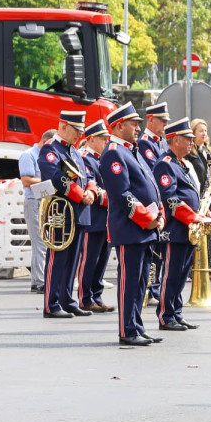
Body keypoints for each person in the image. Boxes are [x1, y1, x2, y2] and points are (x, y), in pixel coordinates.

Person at [100, 103, 165, 347]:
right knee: (130, 282)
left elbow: (149, 187)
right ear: (118, 126)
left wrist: (157, 215)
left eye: (138, 123)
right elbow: (122, 194)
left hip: (144, 228)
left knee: (140, 283)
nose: (138, 128)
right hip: (131, 229)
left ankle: (137, 326)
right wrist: (148, 219)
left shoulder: (130, 150)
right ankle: (127, 330)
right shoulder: (114, 152)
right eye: (133, 124)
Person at [38, 111, 95, 318]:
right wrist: (82, 195)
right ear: (63, 126)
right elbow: (55, 178)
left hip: (78, 212)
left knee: (73, 259)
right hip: (61, 211)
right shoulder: (51, 149)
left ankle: (66, 299)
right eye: (76, 130)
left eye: (81, 131)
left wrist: (90, 191)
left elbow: (88, 175)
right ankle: (51, 304)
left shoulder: (74, 152)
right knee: (58, 257)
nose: (79, 135)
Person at [153, 118, 207, 331]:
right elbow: (170, 199)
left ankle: (176, 312)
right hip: (174, 229)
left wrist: (202, 212)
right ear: (175, 140)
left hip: (187, 228)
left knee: (182, 273)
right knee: (171, 274)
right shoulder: (165, 164)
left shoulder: (182, 164)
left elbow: (192, 193)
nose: (192, 143)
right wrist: (192, 216)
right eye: (188, 139)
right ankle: (166, 316)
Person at [75, 120, 114, 313]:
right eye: (103, 138)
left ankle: (96, 295)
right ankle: (85, 297)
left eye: (107, 138)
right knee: (89, 259)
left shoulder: (102, 158)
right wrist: (113, 198)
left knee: (102, 259)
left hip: (105, 218)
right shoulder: (84, 158)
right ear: (91, 139)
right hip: (93, 216)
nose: (106, 141)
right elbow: (92, 187)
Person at [138, 103, 171, 303]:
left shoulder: (160, 143)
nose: (165, 125)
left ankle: (155, 287)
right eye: (162, 121)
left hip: (161, 203)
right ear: (150, 119)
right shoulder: (145, 143)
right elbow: (153, 172)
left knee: (159, 250)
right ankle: (150, 288)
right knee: (153, 250)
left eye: (166, 121)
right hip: (151, 204)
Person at [19, 130, 56, 293]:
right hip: (34, 201)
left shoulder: (43, 156)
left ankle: (38, 280)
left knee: (43, 241)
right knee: (40, 242)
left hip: (43, 200)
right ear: (46, 141)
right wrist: (50, 182)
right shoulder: (29, 155)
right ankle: (40, 281)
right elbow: (26, 180)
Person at [190, 119, 211, 270]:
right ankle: (196, 268)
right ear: (193, 133)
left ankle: (209, 266)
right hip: (200, 197)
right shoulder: (191, 153)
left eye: (205, 131)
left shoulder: (208, 150)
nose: (204, 134)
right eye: (200, 131)